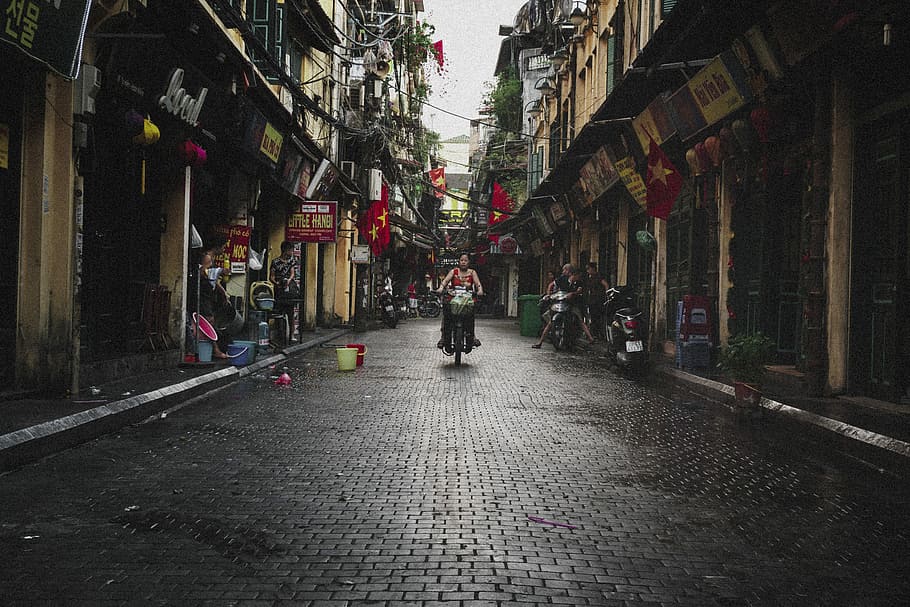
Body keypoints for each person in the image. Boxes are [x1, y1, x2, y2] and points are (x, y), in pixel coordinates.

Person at [532, 263, 595, 348]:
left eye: (565, 270)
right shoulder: (562, 279)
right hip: (560, 303)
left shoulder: (579, 283)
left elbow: (580, 291)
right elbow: (552, 285)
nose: (575, 278)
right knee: (550, 322)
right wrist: (548, 295)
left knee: (580, 319)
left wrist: (574, 293)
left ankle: (590, 338)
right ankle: (540, 342)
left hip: (572, 304)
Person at [436, 253, 484, 348]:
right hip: (454, 298)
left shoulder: (472, 272)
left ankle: (472, 336)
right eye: (462, 260)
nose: (463, 262)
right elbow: (445, 281)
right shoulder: (453, 271)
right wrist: (441, 288)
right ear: (459, 261)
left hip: (467, 299)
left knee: (470, 318)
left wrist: (480, 290)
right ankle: (443, 337)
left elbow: (478, 283)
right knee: (447, 315)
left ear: (468, 262)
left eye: (465, 260)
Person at [196, 241, 229, 359]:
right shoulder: (207, 257)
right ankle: (215, 350)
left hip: (209, 294)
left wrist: (223, 292)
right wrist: (219, 271)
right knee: (208, 320)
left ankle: (214, 349)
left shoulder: (211, 258)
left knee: (210, 320)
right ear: (217, 246)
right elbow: (203, 273)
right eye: (223, 246)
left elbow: (213, 280)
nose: (224, 249)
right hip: (203, 294)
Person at [269, 241, 299, 313]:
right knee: (278, 311)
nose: (292, 253)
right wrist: (277, 283)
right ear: (285, 250)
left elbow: (292, 274)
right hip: (279, 291)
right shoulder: (275, 262)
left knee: (290, 311)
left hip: (289, 291)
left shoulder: (291, 262)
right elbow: (271, 277)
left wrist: (289, 280)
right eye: (290, 250)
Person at [584, 261, 611, 338]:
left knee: (598, 317)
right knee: (593, 317)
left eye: (588, 269)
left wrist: (607, 294)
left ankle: (599, 333)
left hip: (599, 299)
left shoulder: (599, 276)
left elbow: (605, 284)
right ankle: (594, 333)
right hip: (592, 299)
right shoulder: (589, 277)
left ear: (593, 269)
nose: (587, 270)